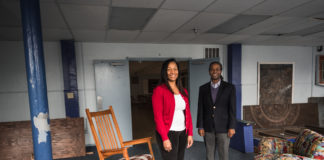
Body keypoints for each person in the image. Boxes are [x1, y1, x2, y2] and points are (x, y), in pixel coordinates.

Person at [152, 58, 194, 160]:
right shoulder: (159, 90)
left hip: (183, 131)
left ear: (178, 72)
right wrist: (165, 138)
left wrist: (190, 133)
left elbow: (188, 113)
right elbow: (158, 117)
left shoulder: (183, 91)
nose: (172, 72)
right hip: (169, 132)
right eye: (169, 69)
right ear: (164, 72)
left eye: (175, 69)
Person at [197, 61, 236, 160]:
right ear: (209, 71)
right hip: (208, 127)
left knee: (223, 155)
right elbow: (200, 108)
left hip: (224, 128)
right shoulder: (203, 88)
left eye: (217, 69)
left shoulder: (229, 88)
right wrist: (200, 126)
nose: (215, 71)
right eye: (212, 69)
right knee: (209, 155)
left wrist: (232, 127)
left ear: (220, 71)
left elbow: (232, 109)